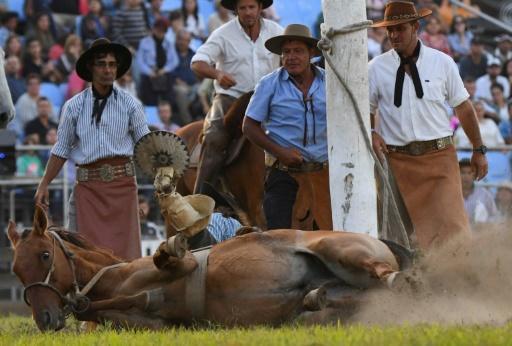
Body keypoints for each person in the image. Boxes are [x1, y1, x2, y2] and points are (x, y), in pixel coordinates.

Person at [369, 1, 488, 250]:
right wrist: (371, 132)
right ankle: (408, 286)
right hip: (397, 161)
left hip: (440, 157)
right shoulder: (375, 68)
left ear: (415, 26)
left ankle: (460, 281)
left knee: (453, 229)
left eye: (400, 28)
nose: (393, 35)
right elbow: (366, 109)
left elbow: (463, 107)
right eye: (390, 29)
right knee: (398, 234)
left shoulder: (442, 62)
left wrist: (478, 149)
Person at [34, 38, 150, 261]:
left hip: (123, 189)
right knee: (80, 258)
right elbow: (62, 148)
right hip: (87, 190)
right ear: (90, 67)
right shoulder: (73, 106)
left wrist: (144, 193)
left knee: (126, 262)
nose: (108, 69)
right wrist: (44, 183)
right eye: (101, 63)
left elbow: (145, 147)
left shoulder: (131, 104)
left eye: (112, 64)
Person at [243, 24, 331, 230]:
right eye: (286, 52)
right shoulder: (268, 84)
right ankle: (202, 190)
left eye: (298, 51)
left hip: (324, 174)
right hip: (284, 174)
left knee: (333, 238)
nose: (291, 57)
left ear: (311, 53)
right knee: (280, 238)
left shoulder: (330, 82)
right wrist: (280, 152)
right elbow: (249, 126)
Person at [190, 0, 283, 194]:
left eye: (251, 7)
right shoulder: (223, 34)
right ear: (236, 10)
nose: (248, 12)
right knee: (214, 139)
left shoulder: (276, 31)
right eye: (243, 8)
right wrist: (217, 74)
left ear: (260, 8)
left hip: (270, 99)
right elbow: (197, 62)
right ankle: (199, 199)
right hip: (231, 99)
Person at [135, 17, 178, 106]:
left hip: (164, 73)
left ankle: (168, 112)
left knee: (169, 98)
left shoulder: (168, 43)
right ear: (153, 29)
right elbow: (140, 61)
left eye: (162, 30)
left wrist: (164, 70)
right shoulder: (144, 42)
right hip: (149, 74)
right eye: (158, 29)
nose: (159, 32)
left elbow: (174, 61)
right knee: (150, 100)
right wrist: (149, 72)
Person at [459, 158, 498, 225]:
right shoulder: (451, 195)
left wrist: (484, 224)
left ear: (475, 175)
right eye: (463, 173)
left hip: (480, 233)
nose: (466, 176)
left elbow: (495, 216)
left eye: (470, 173)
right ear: (457, 175)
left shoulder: (484, 194)